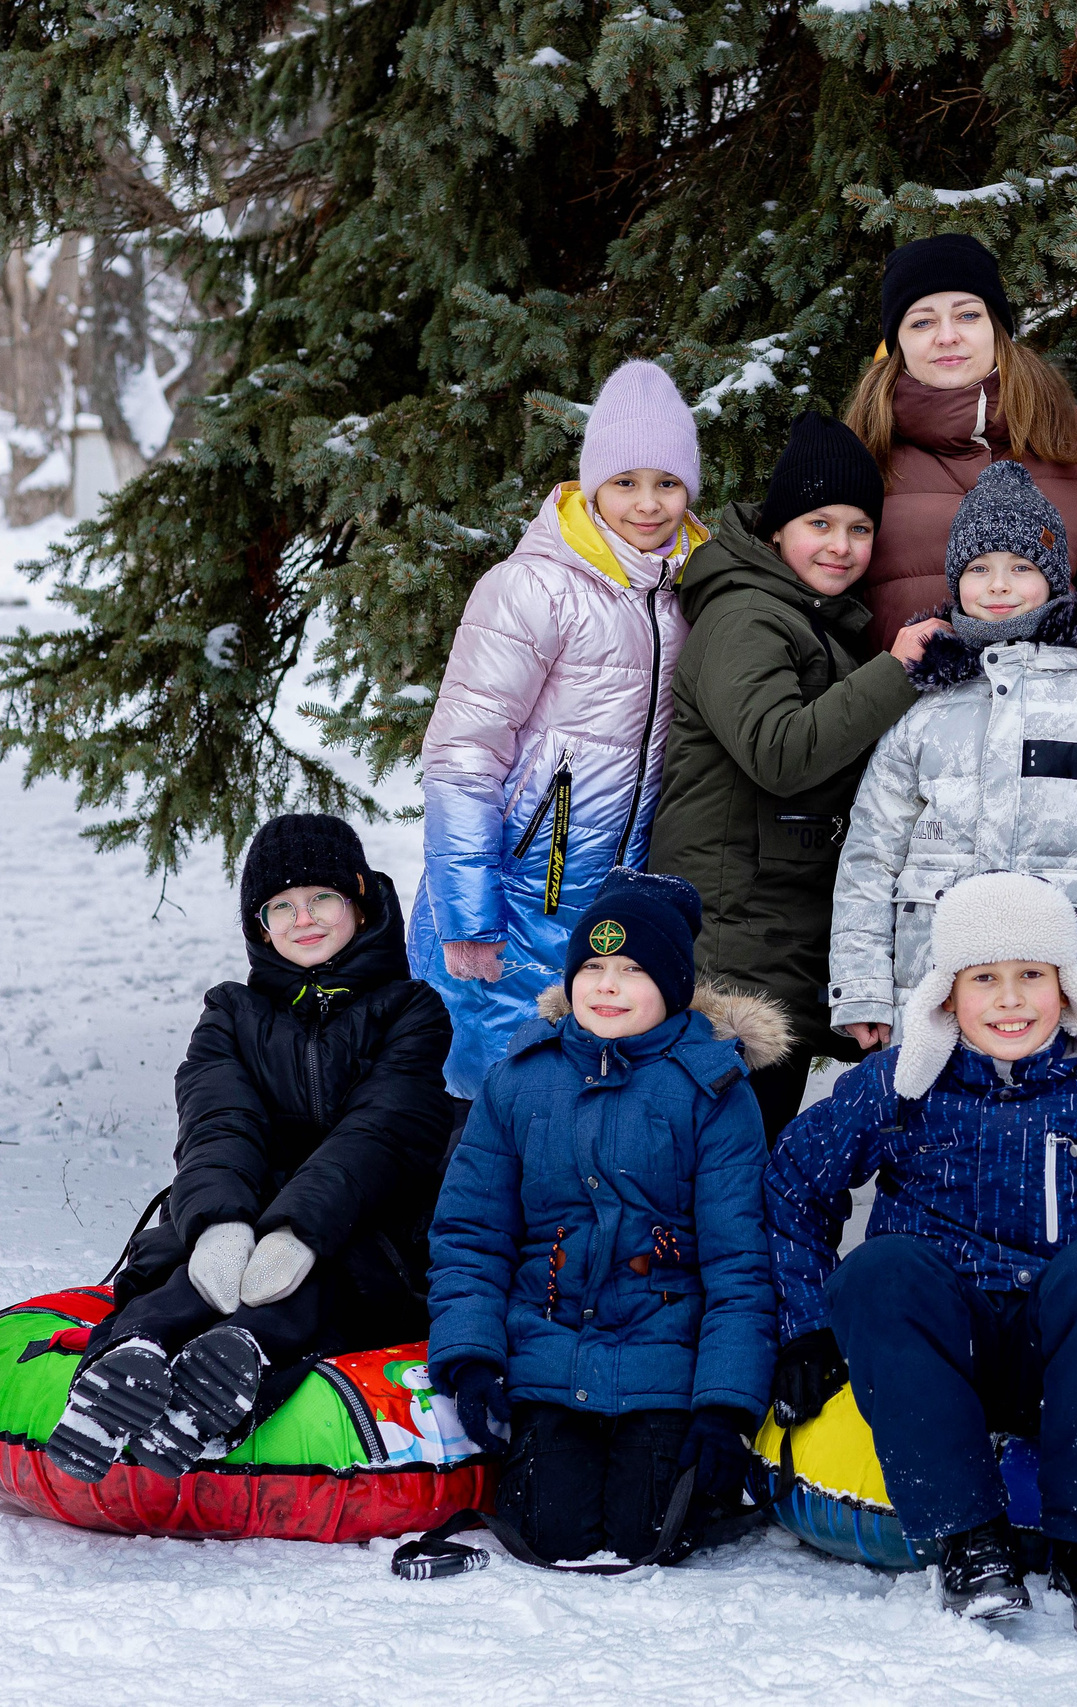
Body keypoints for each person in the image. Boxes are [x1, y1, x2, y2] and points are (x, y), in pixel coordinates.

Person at [763, 871, 1077, 1637]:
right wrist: (807, 1325)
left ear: (1067, 987)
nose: (1010, 1000)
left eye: (1031, 977)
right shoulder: (900, 1081)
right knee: (879, 1270)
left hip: (1063, 1355)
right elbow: (792, 1180)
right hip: (941, 1353)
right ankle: (970, 1540)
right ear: (950, 993)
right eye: (985, 978)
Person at [46, 815, 453, 1485]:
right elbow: (216, 1121)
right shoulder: (231, 1014)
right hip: (247, 1201)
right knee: (189, 1275)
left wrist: (298, 1230)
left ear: (358, 898)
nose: (305, 918)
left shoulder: (411, 1009)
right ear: (260, 924)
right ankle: (131, 1361)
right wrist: (219, 1224)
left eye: (321, 897)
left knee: (316, 1284)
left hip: (363, 1220)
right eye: (281, 906)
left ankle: (237, 1363)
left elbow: (379, 1129)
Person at [426, 869, 785, 1565]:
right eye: (592, 966)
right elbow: (472, 1234)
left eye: (632, 969)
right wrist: (472, 1359)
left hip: (665, 1364)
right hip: (547, 1356)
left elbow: (740, 1261)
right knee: (548, 1528)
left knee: (647, 1529)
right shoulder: (520, 1079)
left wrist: (725, 1406)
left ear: (675, 987)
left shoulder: (712, 1092)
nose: (607, 985)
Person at [410, 358, 711, 1108]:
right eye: (626, 482)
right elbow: (461, 756)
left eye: (667, 483)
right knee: (483, 1098)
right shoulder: (532, 586)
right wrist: (468, 913)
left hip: (608, 911)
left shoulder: (690, 593)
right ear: (592, 484)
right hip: (512, 899)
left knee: (576, 1106)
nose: (648, 503)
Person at [647, 412, 948, 1139]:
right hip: (730, 948)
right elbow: (779, 751)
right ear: (779, 528)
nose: (841, 546)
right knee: (724, 1163)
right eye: (820, 523)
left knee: (749, 1155)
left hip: (767, 939)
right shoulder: (747, 614)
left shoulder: (804, 615)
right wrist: (898, 669)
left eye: (859, 528)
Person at [828, 461, 1077, 1052]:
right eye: (980, 568)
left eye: (1021, 567)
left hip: (1062, 990)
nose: (999, 586)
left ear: (1055, 579)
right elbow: (871, 850)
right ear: (956, 578)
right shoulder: (923, 703)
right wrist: (862, 984)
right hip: (931, 991)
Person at [843, 233, 1077, 652]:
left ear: (996, 328)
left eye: (967, 315)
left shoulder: (1075, 439)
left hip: (1066, 707)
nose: (946, 336)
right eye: (922, 322)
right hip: (914, 709)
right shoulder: (860, 455)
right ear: (899, 343)